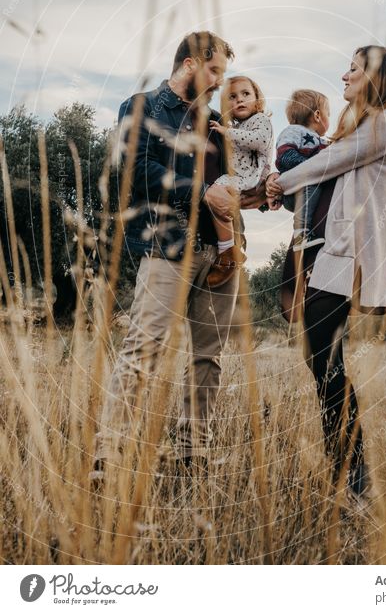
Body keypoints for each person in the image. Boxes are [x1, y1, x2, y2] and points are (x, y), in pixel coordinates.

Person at [93, 31, 266, 481]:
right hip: (168, 247)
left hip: (223, 254)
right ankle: (109, 457)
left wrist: (254, 197)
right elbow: (134, 171)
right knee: (143, 347)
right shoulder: (143, 107)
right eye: (214, 72)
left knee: (208, 357)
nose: (219, 83)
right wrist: (202, 192)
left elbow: (235, 178)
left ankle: (194, 455)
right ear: (190, 64)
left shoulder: (217, 120)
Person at [267, 45, 386, 506]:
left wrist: (281, 181)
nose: (344, 74)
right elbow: (326, 168)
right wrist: (269, 189)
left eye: (353, 67)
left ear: (376, 76)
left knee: (325, 363)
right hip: (328, 254)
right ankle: (347, 473)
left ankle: (354, 480)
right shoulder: (358, 127)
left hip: (348, 258)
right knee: (321, 362)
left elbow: (331, 162)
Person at [207, 75, 274, 288]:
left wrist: (227, 132)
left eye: (246, 94)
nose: (239, 100)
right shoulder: (239, 124)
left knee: (217, 191)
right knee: (220, 201)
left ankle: (228, 250)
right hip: (242, 176)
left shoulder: (260, 120)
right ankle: (229, 248)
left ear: (257, 99)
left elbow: (260, 141)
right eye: (232, 97)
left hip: (249, 176)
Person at [274, 89, 330, 251]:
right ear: (318, 115)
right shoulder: (293, 131)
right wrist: (310, 167)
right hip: (295, 191)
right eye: (329, 113)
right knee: (310, 180)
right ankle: (301, 236)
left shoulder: (322, 140)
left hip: (311, 196)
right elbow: (284, 156)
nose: (329, 117)